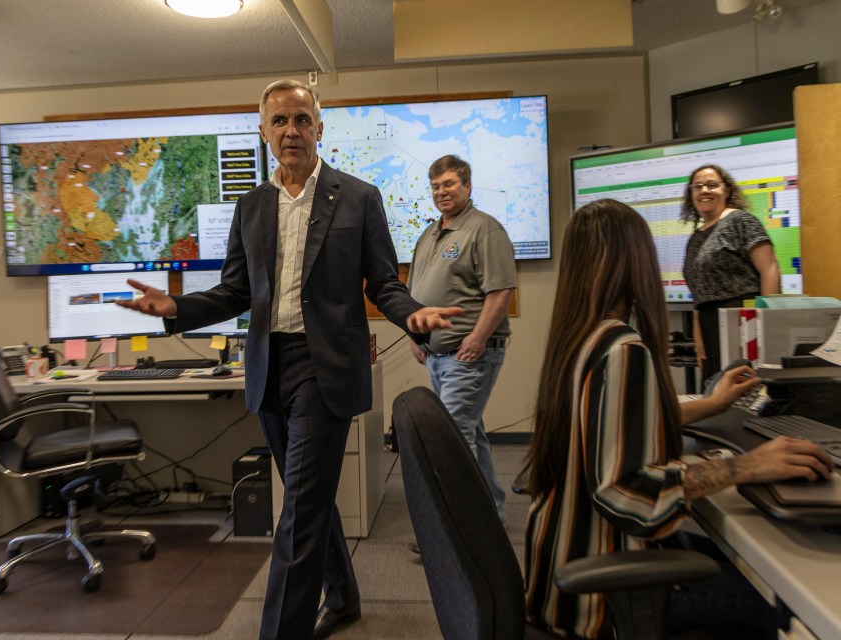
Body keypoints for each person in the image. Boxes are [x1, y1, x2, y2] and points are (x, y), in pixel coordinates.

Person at [117, 79, 461, 640]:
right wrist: (175, 305)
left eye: (302, 119)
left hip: (325, 368)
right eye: (279, 121)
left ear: (319, 129)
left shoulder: (359, 196)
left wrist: (412, 314)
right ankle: (345, 597)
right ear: (264, 133)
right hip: (269, 365)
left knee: (298, 510)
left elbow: (383, 282)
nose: (291, 130)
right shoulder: (250, 206)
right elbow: (233, 292)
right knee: (311, 495)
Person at [523, 199, 832, 639]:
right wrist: (745, 466)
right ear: (637, 263)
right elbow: (627, 495)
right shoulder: (623, 350)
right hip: (601, 601)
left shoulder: (577, 340)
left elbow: (615, 421)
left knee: (731, 562)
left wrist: (710, 405)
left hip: (556, 574)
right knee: (788, 604)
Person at [407, 154, 515, 522]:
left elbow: (500, 291)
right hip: (437, 357)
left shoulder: (485, 229)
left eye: (449, 184)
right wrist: (415, 335)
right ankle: (491, 519)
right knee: (469, 436)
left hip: (469, 354)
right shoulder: (430, 233)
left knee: (451, 440)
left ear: (468, 186)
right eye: (436, 186)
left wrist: (478, 337)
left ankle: (462, 532)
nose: (442, 192)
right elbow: (416, 293)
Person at [681, 164, 780, 385]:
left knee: (743, 392)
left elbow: (770, 268)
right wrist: (698, 335)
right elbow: (700, 290)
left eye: (712, 185)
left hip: (743, 320)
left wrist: (767, 323)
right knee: (715, 393)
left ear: (726, 190)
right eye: (697, 186)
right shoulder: (696, 236)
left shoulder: (741, 221)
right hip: (709, 323)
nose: (704, 190)